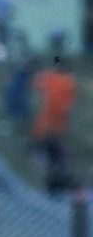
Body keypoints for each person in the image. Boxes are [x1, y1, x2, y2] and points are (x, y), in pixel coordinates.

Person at [32, 55, 78, 193]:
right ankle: (57, 175)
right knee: (48, 149)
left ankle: (58, 176)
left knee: (49, 149)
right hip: (51, 123)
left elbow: (69, 103)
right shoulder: (65, 80)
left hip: (52, 123)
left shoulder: (61, 80)